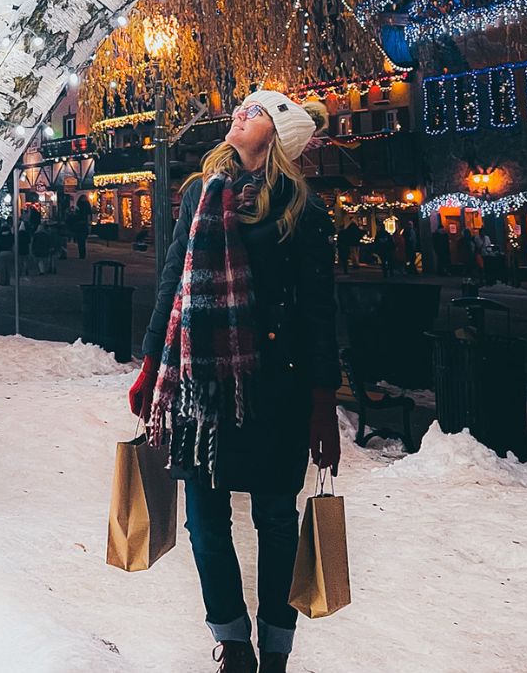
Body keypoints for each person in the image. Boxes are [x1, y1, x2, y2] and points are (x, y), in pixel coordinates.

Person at [129, 92, 340, 673]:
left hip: (277, 385)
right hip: (204, 384)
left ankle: (275, 647)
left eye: (257, 111)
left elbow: (321, 310)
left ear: (279, 135)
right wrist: (152, 364)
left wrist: (324, 402)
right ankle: (232, 641)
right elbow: (172, 282)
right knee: (203, 516)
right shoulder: (199, 194)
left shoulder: (301, 206)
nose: (241, 114)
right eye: (242, 108)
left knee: (275, 518)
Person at [71, 195, 92, 260]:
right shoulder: (86, 206)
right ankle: (82, 254)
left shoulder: (79, 206)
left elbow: (76, 215)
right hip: (82, 225)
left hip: (80, 225)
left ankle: (81, 254)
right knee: (82, 241)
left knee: (80, 241)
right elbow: (88, 215)